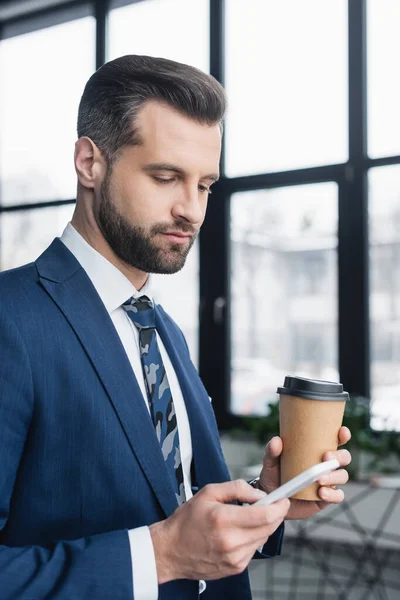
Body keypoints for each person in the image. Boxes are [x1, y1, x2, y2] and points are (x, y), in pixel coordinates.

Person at [0, 54, 351, 599]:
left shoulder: (161, 329)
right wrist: (160, 556)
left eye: (205, 185)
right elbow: (169, 546)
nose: (192, 210)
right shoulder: (9, 319)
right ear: (90, 163)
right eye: (166, 177)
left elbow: (179, 506)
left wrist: (265, 498)